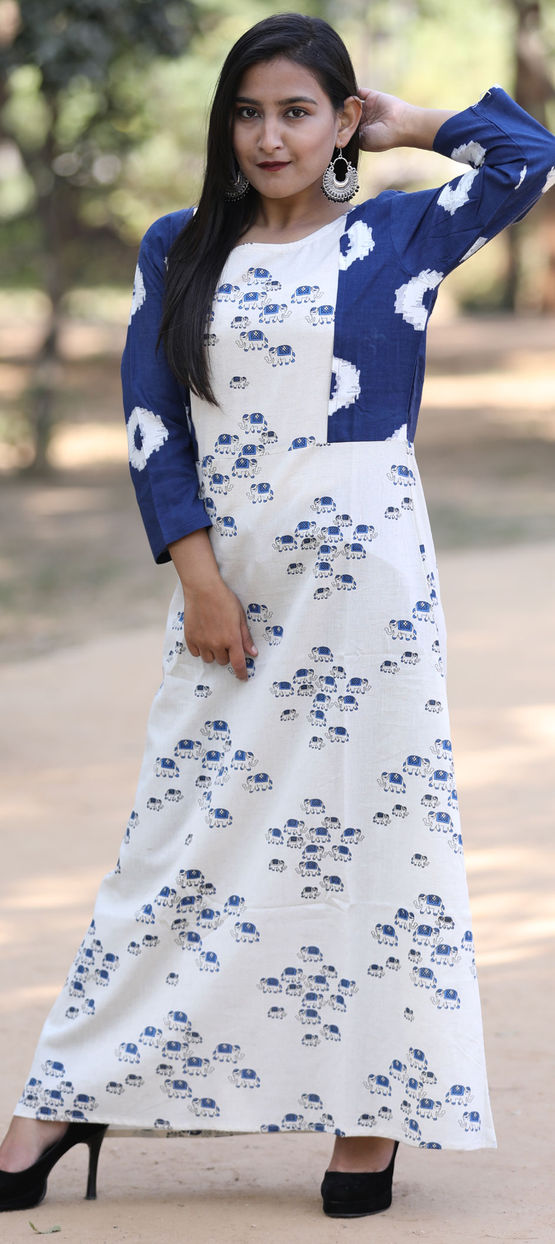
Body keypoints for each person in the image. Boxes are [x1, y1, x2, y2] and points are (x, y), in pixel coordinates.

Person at [1, 10, 554, 1221]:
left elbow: (528, 157)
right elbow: (152, 423)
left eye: (299, 111)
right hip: (234, 589)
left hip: (371, 598)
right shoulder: (177, 247)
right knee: (174, 840)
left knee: (376, 842)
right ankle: (67, 1093)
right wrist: (198, 579)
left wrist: (409, 123)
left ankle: (371, 1112)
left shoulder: (397, 233)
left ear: (341, 119)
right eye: (248, 112)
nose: (269, 136)